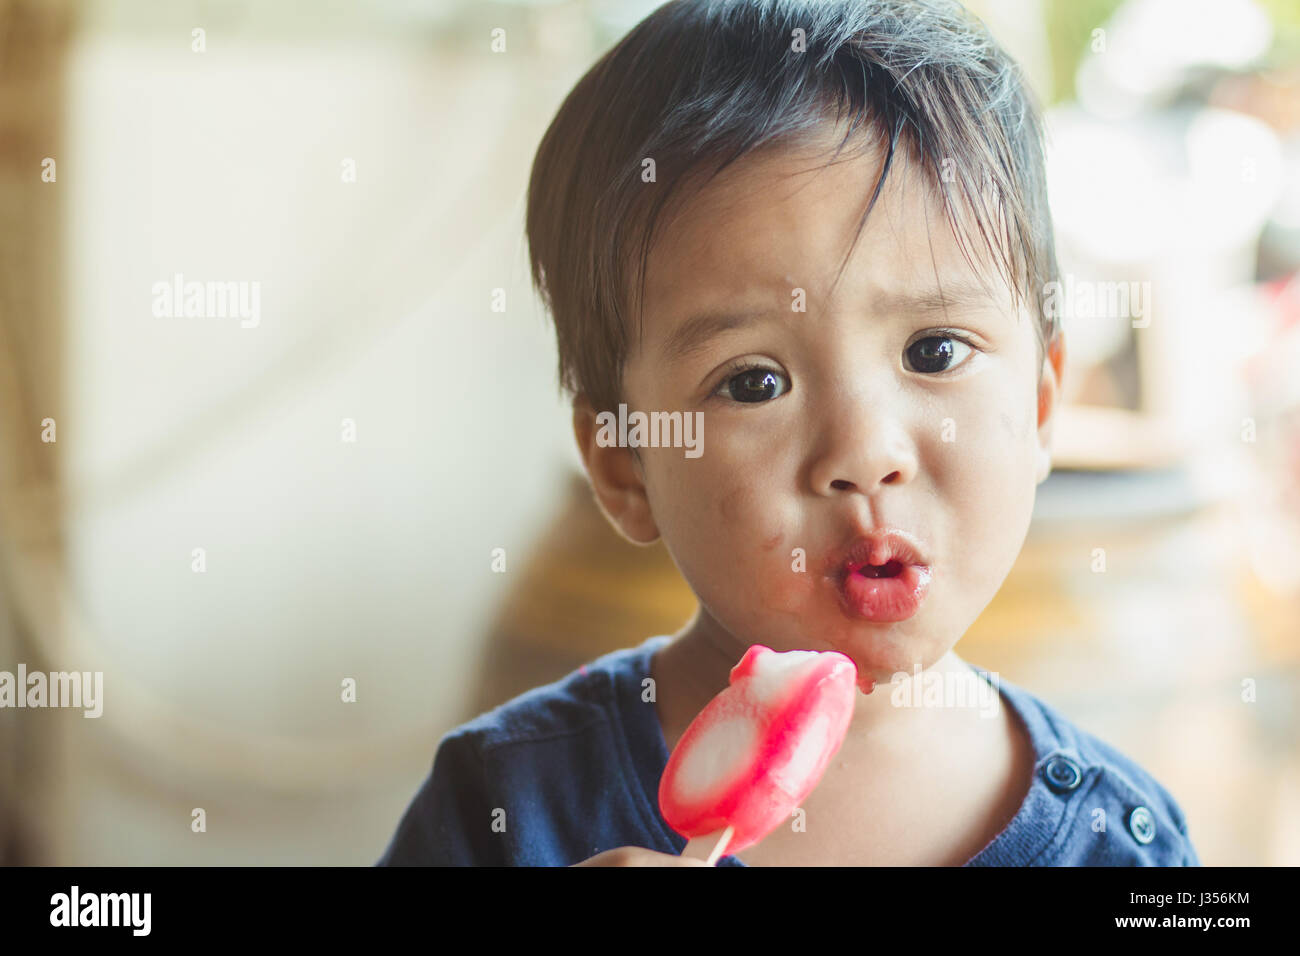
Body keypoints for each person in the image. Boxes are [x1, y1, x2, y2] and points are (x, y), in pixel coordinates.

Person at [378, 0, 1201, 866]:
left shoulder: (1128, 844)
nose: (865, 453)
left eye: (934, 349)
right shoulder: (505, 805)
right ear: (625, 465)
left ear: (1040, 407)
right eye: (754, 383)